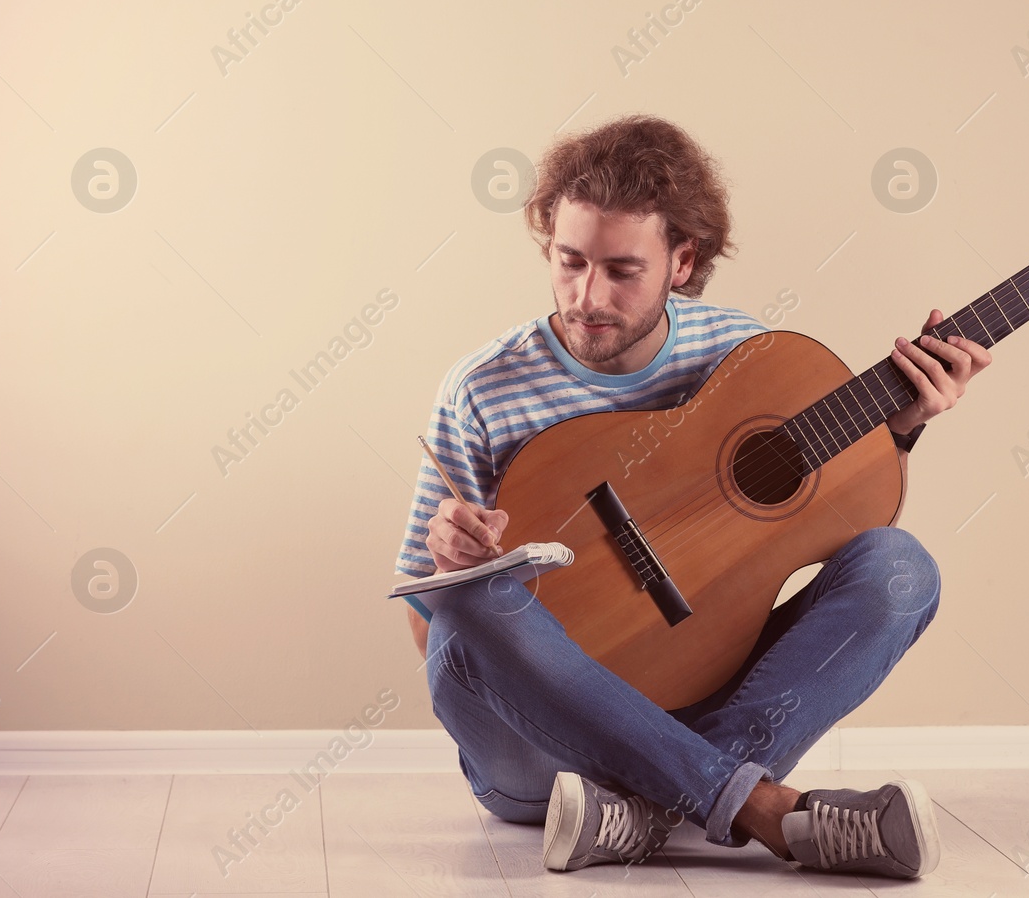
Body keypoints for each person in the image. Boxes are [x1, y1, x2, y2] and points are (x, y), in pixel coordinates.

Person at [395, 114, 991, 878]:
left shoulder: (743, 359)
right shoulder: (482, 388)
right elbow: (432, 644)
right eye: (568, 260)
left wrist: (899, 431)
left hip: (700, 713)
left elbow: (814, 524)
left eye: (621, 270)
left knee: (901, 567)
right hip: (538, 756)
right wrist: (453, 559)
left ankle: (648, 810)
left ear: (683, 260)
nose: (586, 296)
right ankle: (765, 811)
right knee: (463, 612)